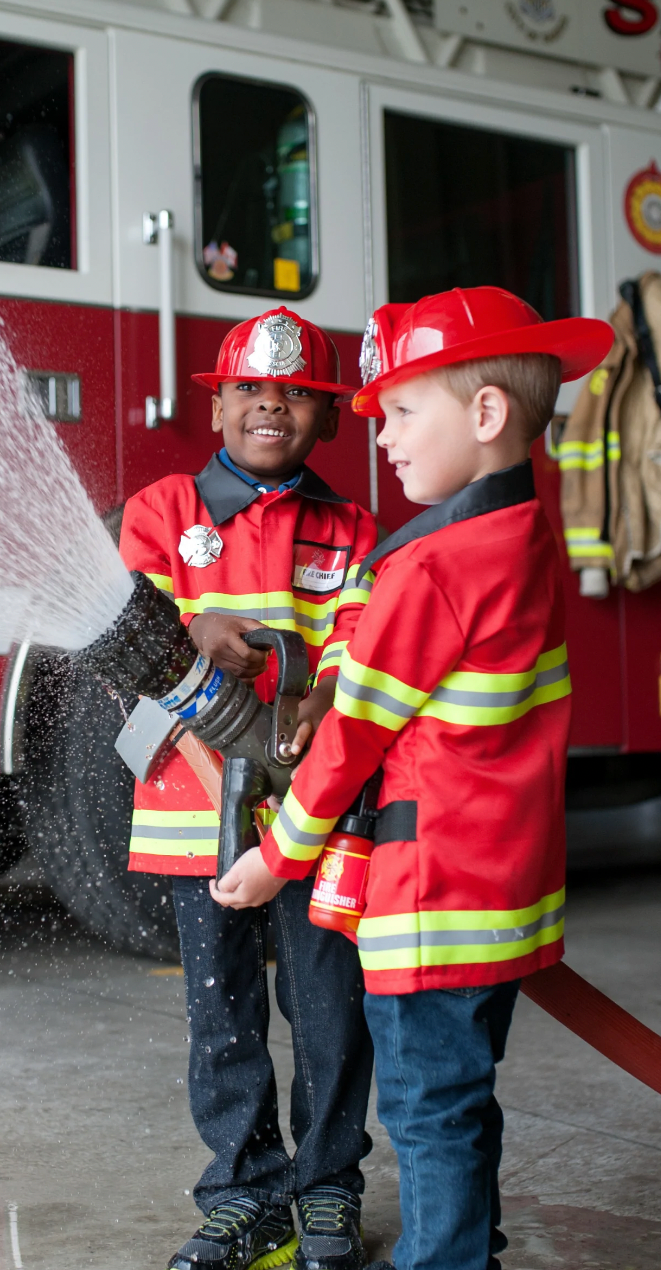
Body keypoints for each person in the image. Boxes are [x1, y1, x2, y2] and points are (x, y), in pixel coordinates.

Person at [211, 288, 614, 1270]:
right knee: (461, 1094)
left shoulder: (433, 566)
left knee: (427, 1105)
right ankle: (462, 1236)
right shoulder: (521, 542)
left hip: (432, 901)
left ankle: (444, 1257)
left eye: (398, 413)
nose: (381, 437)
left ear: (485, 416)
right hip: (503, 889)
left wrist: (277, 856)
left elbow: (350, 738)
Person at [119, 306, 378, 1270]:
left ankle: (326, 1187)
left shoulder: (354, 531)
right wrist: (195, 626)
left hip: (314, 815)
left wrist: (325, 696)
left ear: (331, 417)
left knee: (326, 1010)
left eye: (300, 394)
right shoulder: (162, 513)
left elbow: (362, 643)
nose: (273, 405)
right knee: (221, 1013)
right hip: (193, 813)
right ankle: (243, 1191)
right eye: (253, 390)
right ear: (218, 403)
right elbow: (121, 632)